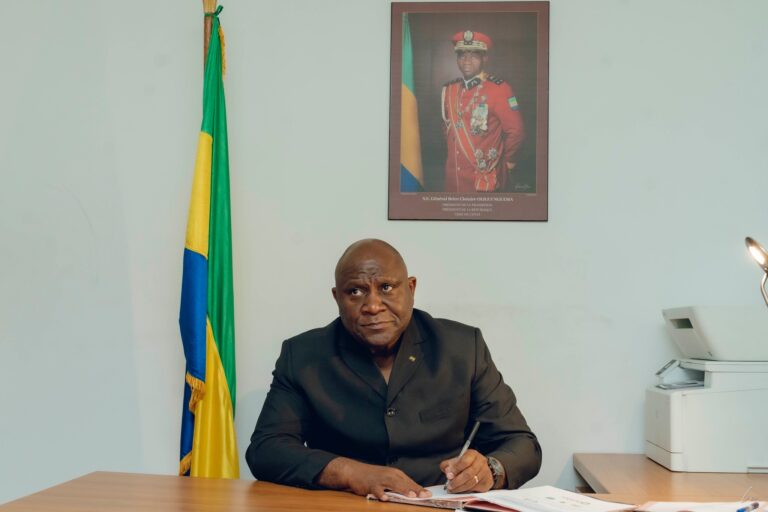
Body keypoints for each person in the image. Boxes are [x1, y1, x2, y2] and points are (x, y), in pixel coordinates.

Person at [246, 239, 541, 500]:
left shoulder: (462, 348)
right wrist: (350, 473)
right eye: (355, 291)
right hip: (345, 505)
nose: (373, 306)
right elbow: (266, 449)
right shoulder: (303, 356)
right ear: (337, 298)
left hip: (439, 504)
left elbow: (522, 444)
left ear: (411, 289)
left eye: (386, 288)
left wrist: (490, 469)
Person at [442, 30, 524, 193]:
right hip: (453, 176)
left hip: (483, 177)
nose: (466, 60)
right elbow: (447, 129)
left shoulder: (499, 89)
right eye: (462, 55)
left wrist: (507, 162)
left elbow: (516, 131)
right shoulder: (450, 89)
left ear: (484, 58)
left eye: (474, 55)